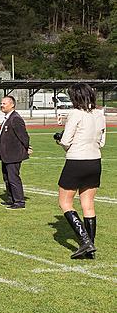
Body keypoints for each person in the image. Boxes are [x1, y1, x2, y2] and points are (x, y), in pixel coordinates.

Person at [55, 83, 104, 259]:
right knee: (88, 204)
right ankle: (90, 246)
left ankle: (85, 241)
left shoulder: (75, 113)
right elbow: (102, 141)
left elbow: (67, 140)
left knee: (65, 202)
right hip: (95, 160)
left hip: (76, 161)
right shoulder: (99, 114)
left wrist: (60, 140)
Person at [0, 96, 31, 210]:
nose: (2, 105)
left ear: (12, 105)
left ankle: (19, 201)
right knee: (7, 178)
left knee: (13, 178)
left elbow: (24, 136)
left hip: (13, 155)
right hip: (6, 156)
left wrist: (27, 147)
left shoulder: (15, 118)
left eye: (4, 103)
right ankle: (11, 199)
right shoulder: (8, 118)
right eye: (1, 103)